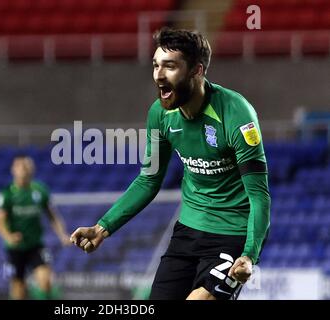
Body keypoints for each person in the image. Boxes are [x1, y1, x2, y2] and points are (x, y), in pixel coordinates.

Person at [70, 27, 271, 300]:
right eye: (155, 65)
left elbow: (259, 196)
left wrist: (249, 255)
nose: (158, 75)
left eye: (170, 66)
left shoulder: (237, 116)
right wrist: (103, 227)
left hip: (232, 234)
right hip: (188, 231)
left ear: (196, 70)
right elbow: (149, 179)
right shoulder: (159, 115)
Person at [0, 155, 71, 300]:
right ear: (13, 170)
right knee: (18, 291)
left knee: (46, 281)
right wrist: (8, 236)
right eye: (20, 166)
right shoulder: (6, 194)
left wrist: (62, 235)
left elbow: (52, 216)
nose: (24, 169)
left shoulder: (40, 190)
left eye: (27, 166)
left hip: (36, 246)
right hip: (15, 248)